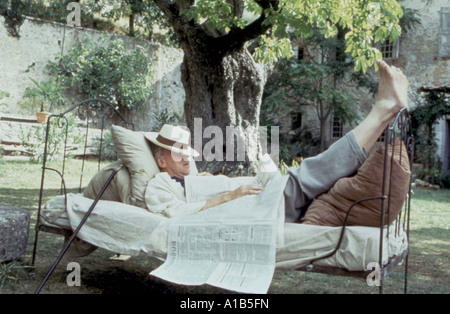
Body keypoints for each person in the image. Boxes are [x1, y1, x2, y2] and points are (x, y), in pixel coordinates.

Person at [144, 60, 408, 222]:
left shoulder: (194, 178)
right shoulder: (159, 185)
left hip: (259, 194)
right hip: (254, 207)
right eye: (178, 153)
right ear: (160, 160)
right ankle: (382, 112)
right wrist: (230, 195)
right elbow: (176, 215)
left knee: (313, 179)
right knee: (310, 175)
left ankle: (384, 114)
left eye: (188, 151)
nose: (187, 157)